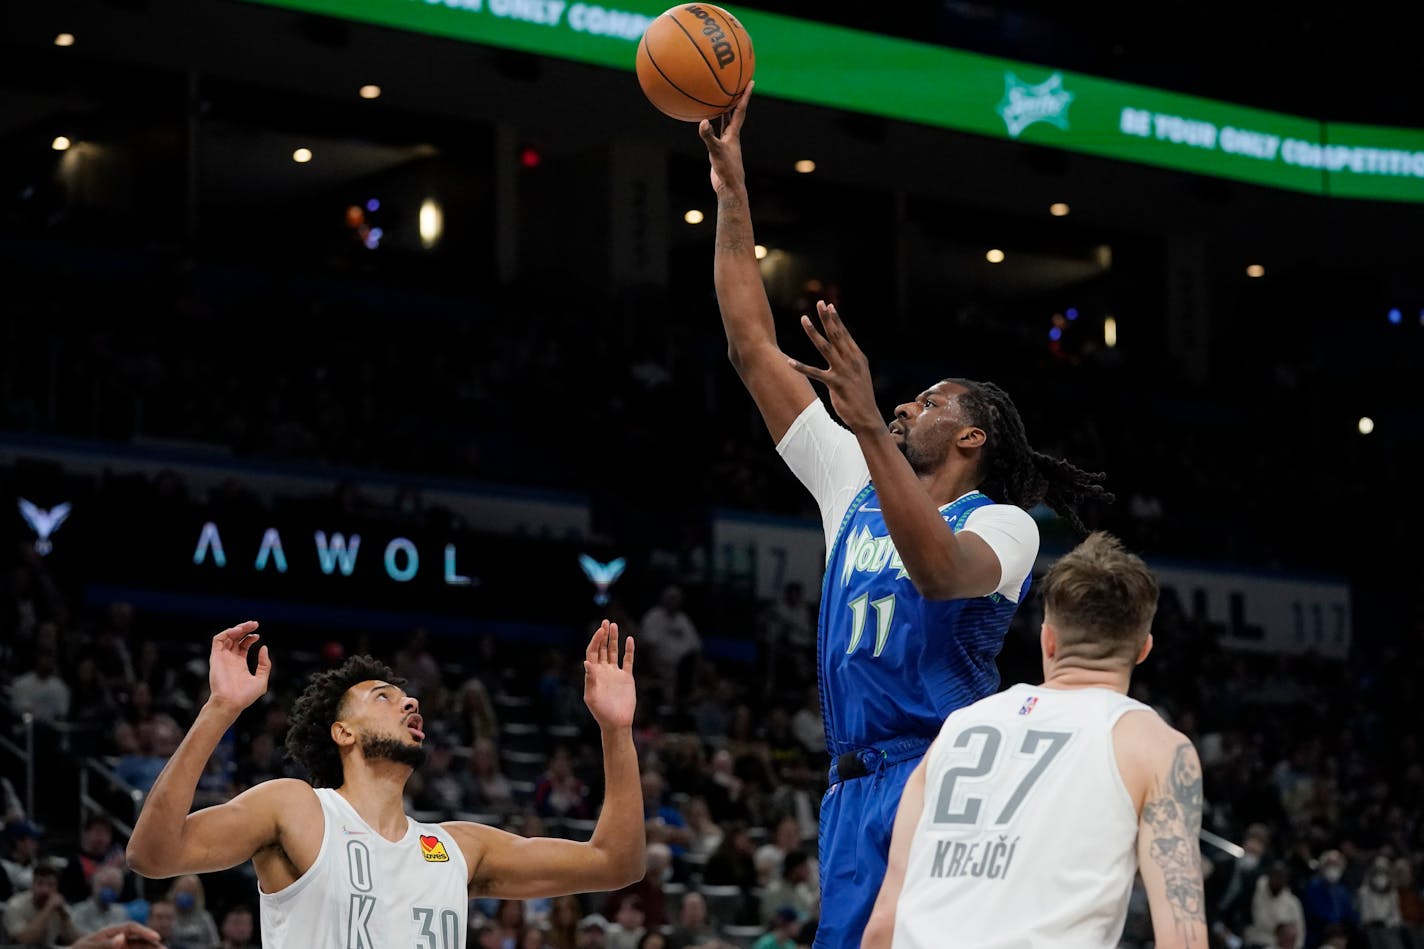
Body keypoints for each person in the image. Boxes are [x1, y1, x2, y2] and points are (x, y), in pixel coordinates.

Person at [699, 84, 1110, 947]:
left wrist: (863, 425)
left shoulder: (1004, 524)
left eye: (924, 402)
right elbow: (749, 344)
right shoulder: (852, 478)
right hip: (849, 792)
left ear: (969, 435)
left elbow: (935, 570)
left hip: (946, 776)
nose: (900, 408)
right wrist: (733, 192)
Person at [126, 620, 644, 945]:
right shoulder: (298, 809)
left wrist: (616, 731)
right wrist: (219, 710)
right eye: (383, 697)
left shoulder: (458, 847)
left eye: (407, 698)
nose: (409, 702)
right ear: (342, 732)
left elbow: (617, 864)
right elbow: (153, 854)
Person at [862, 532, 1207, 948]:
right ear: (1143, 650)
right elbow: (1183, 939)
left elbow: (884, 920)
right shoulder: (1155, 747)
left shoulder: (958, 728)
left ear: (1048, 639)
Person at [3, 863, 82, 946]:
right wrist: (47, 909)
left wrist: (64, 916)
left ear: (57, 888)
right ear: (32, 885)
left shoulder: (60, 906)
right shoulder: (15, 905)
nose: (45, 890)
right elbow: (25, 939)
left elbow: (75, 940)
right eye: (40, 883)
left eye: (50, 885)